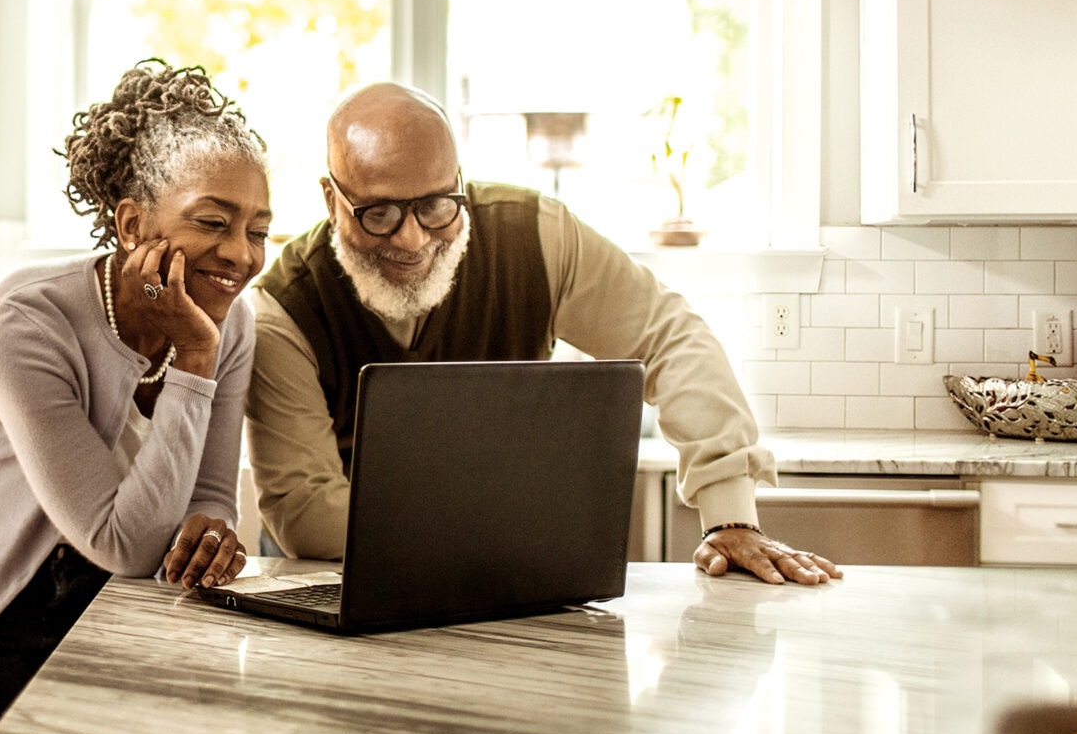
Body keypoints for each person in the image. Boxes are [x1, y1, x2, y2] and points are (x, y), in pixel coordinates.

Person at [245, 81, 839, 586]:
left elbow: (669, 337)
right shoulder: (281, 311)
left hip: (507, 577)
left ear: (460, 180)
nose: (413, 239)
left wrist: (730, 514)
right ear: (331, 199)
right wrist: (518, 527)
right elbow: (306, 512)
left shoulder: (537, 238)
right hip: (334, 584)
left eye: (436, 205)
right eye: (379, 213)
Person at [0, 60, 273, 734]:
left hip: (94, 601)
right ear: (132, 224)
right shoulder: (26, 323)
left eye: (258, 229)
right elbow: (124, 542)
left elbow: (209, 497)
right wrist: (192, 358)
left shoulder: (231, 321)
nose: (242, 255)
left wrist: (213, 531)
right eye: (214, 222)